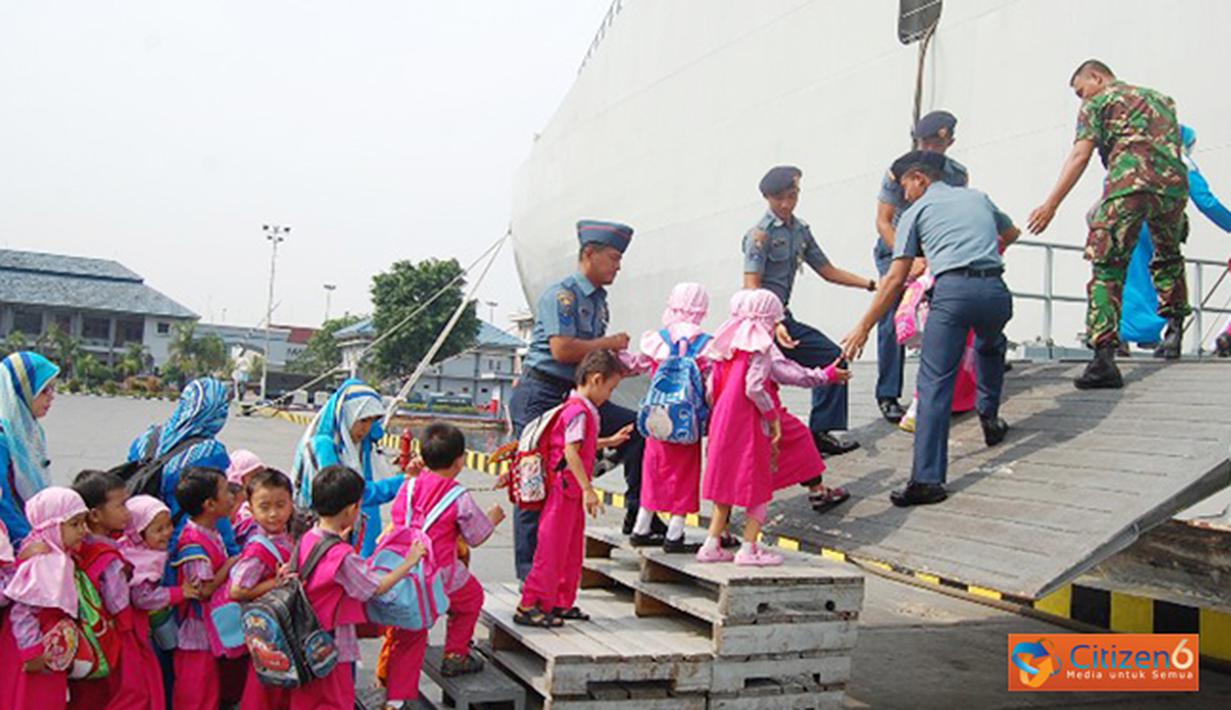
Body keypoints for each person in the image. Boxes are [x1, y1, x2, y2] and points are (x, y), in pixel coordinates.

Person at [842, 150, 1019, 507]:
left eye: (905, 185)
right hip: (996, 290)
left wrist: (863, 326)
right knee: (989, 345)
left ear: (920, 179)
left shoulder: (915, 213)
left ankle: (927, 480)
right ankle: (990, 415)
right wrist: (979, 251)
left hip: (953, 294)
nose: (903, 194)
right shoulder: (977, 197)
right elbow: (1011, 232)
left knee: (935, 381)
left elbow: (895, 278)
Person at [1028, 59, 1189, 387]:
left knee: (1107, 268)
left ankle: (1103, 359)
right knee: (1169, 255)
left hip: (1129, 186)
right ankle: (1173, 336)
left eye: (1080, 91)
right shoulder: (1162, 99)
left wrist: (1051, 204)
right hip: (1172, 187)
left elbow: (1080, 156)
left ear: (1096, 78)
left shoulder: (1098, 103)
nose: (1081, 99)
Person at [509, 219, 655, 577]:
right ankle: (530, 577)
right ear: (589, 254)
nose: (618, 266)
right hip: (542, 395)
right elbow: (562, 349)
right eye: (613, 258)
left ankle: (639, 516)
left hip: (580, 398)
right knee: (535, 479)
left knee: (639, 430)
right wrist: (609, 344)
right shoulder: (563, 296)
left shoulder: (599, 302)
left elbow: (594, 359)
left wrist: (636, 363)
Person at [698, 290, 850, 566]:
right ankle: (749, 548)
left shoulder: (722, 348)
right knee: (759, 483)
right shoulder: (761, 347)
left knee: (724, 483)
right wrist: (771, 416)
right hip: (750, 425)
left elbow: (711, 390)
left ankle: (711, 544)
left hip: (721, 423)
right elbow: (756, 386)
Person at [744, 166, 877, 456]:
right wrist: (775, 321)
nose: (786, 204)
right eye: (779, 198)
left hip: (782, 319)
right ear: (768, 198)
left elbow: (827, 270)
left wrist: (870, 284)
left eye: (792, 196)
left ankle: (820, 432)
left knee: (833, 357)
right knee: (754, 385)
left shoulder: (800, 231)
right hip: (760, 323)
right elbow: (751, 288)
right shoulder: (760, 236)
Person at [382, 423, 504, 707]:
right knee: (471, 598)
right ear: (460, 460)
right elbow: (476, 536)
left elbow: (400, 522)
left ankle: (397, 699)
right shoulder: (458, 495)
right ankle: (455, 654)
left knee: (409, 637)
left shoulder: (409, 485)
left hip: (406, 573)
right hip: (440, 574)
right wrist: (493, 518)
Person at [292, 465, 425, 709]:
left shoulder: (309, 537)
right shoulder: (341, 555)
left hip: (304, 636)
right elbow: (375, 587)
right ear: (352, 509)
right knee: (336, 697)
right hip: (331, 641)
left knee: (308, 698)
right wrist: (410, 562)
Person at [874, 111, 970, 423]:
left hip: (935, 252)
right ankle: (888, 393)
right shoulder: (898, 170)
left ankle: (942, 389)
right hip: (898, 249)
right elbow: (883, 221)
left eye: (935, 142)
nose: (928, 148)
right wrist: (908, 257)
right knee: (892, 316)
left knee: (943, 315)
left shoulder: (957, 174)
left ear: (950, 142)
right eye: (924, 141)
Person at [514, 350, 621, 627]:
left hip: (570, 490)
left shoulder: (579, 409)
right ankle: (530, 603)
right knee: (551, 548)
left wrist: (608, 440)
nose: (609, 395)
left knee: (571, 548)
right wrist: (588, 488)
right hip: (566, 488)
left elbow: (580, 444)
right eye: (610, 388)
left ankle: (559, 600)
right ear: (596, 380)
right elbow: (571, 451)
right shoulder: (578, 411)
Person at [623, 283, 714, 552]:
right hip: (687, 421)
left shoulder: (658, 339)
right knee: (684, 474)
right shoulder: (705, 344)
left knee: (653, 470)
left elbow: (636, 365)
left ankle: (642, 525)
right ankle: (675, 533)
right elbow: (710, 386)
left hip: (658, 416)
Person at [292, 378, 404, 557]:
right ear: (348, 415)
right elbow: (347, 492)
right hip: (317, 532)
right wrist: (402, 483)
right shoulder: (323, 446)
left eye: (371, 421)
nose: (366, 428)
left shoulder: (356, 447)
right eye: (363, 420)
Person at [0, 487, 90, 710]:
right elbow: (23, 611)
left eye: (83, 522)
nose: (83, 530)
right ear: (51, 526)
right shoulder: (45, 561)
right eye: (74, 524)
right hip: (32, 648)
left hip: (49, 647)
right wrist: (32, 651)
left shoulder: (57, 554)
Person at [128, 377, 239, 555]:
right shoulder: (209, 451)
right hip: (184, 546)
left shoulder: (146, 439)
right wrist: (233, 553)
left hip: (138, 545)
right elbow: (216, 509)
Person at [117, 495, 201, 710]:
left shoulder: (141, 550)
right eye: (159, 529)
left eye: (168, 525)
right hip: (144, 630)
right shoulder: (141, 560)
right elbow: (142, 597)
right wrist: (179, 593)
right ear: (138, 532)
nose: (167, 532)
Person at [169, 467, 240, 710]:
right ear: (209, 504)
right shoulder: (193, 545)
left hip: (211, 627)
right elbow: (202, 590)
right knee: (197, 694)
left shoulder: (210, 531)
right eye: (225, 491)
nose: (232, 496)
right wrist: (229, 566)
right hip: (196, 632)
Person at [228, 469, 295, 710]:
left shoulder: (285, 537)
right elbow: (236, 591)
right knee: (266, 688)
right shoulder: (258, 549)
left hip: (281, 628)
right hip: (267, 630)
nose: (274, 513)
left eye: (280, 504)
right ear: (251, 508)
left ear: (291, 503)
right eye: (264, 507)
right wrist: (275, 583)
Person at [68, 470, 133, 709]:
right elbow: (118, 602)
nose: (128, 512)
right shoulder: (109, 556)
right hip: (109, 631)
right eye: (121, 505)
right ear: (94, 514)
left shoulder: (77, 546)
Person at [0, 351, 59, 545]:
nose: (52, 397)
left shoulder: (31, 432)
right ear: (21, 391)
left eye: (53, 389)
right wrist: (28, 539)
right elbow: (3, 502)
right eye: (44, 390)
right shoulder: (3, 439)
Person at [226, 449, 267, 545]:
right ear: (239, 479)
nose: (260, 480)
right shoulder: (242, 511)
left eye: (262, 474)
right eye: (255, 476)